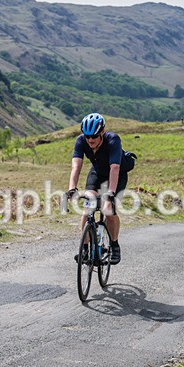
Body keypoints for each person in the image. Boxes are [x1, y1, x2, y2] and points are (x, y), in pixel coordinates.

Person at [67, 113, 130, 265]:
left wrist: (111, 194)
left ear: (102, 132)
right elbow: (76, 166)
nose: (90, 140)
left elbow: (114, 167)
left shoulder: (113, 140)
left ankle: (114, 245)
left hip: (116, 176)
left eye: (94, 136)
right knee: (88, 206)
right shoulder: (81, 141)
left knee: (108, 209)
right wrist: (72, 189)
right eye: (87, 136)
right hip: (96, 174)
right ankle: (86, 249)